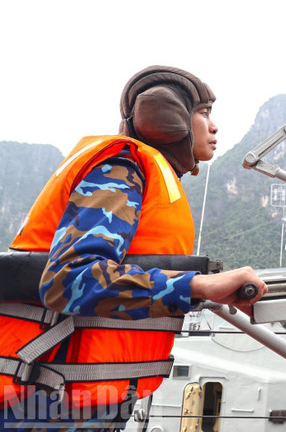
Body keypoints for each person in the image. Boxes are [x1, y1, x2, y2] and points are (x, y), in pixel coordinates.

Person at [0, 65, 267, 430]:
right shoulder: (120, 169)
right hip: (45, 404)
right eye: (203, 113)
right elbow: (70, 278)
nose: (214, 126)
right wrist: (195, 286)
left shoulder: (140, 175)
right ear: (168, 116)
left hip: (74, 401)